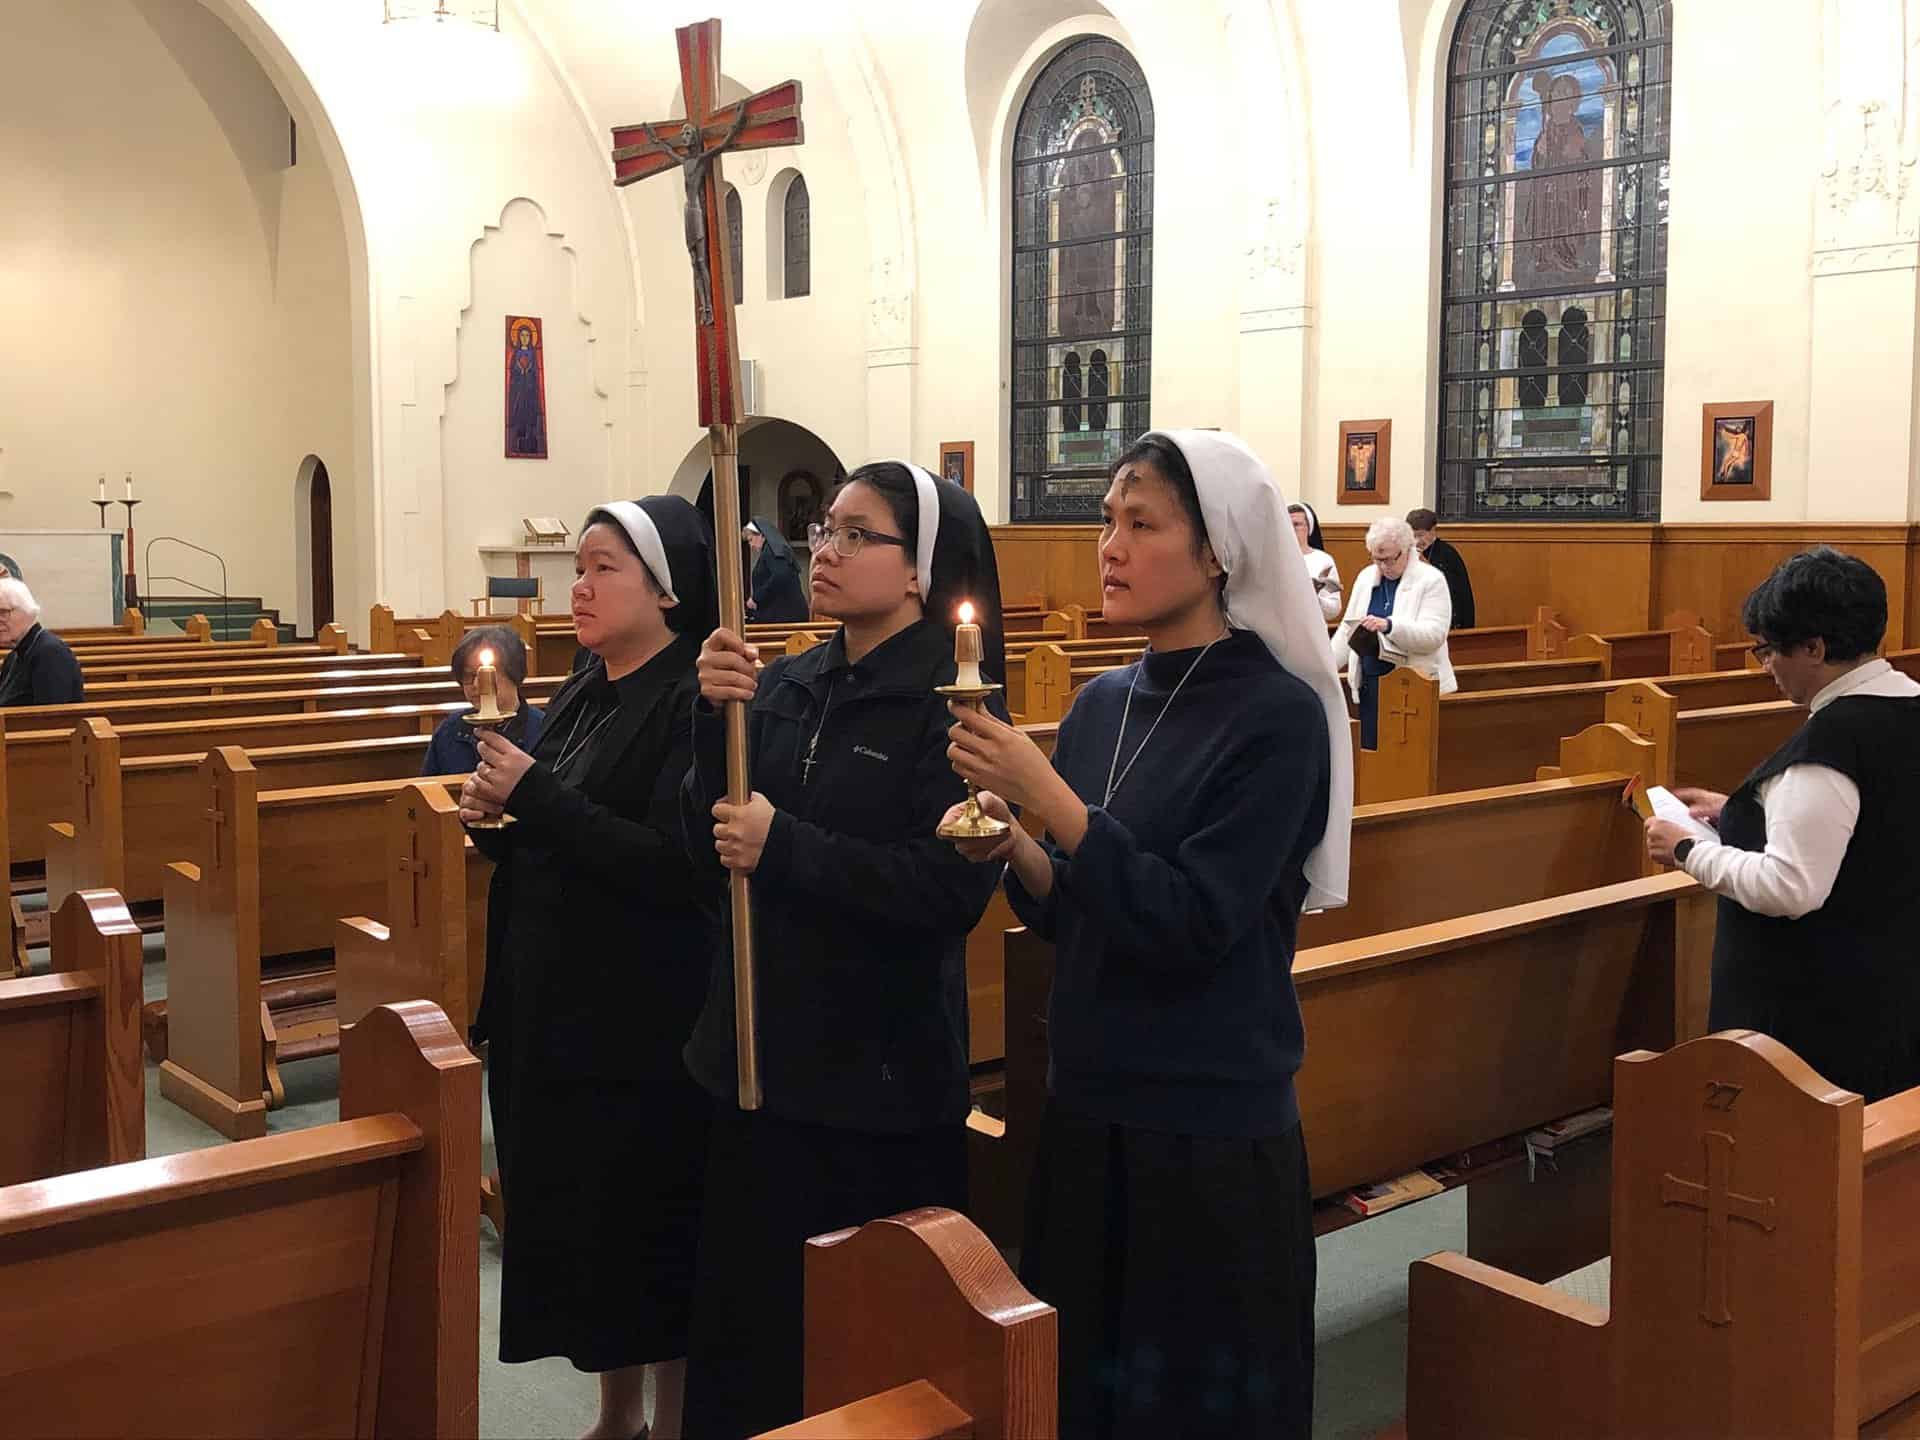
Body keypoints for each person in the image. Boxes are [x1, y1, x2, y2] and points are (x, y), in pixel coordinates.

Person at [944, 430, 1351, 1440]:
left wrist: (1048, 798)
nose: (1109, 547)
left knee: (1195, 1416)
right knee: (1085, 1396)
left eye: (1142, 523)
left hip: (1206, 1125)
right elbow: (1075, 904)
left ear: (1216, 553)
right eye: (1105, 522)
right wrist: (1021, 857)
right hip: (1088, 1109)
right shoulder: (1102, 702)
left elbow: (1196, 921)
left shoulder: (1279, 716)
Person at [680, 462, 1006, 1440]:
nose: (824, 547)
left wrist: (790, 848)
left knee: (854, 1358)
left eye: (856, 534)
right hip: (751, 1065)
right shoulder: (786, 680)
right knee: (745, 1344)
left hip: (870, 1088)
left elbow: (946, 891)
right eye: (824, 528)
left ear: (919, 571)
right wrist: (710, 719)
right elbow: (709, 843)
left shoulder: (952, 705)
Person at [459, 497, 718, 1440]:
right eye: (579, 565)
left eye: (604, 567)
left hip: (639, 1017)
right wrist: (499, 819)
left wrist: (533, 796)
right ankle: (618, 1416)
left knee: (647, 1230)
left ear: (665, 588)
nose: (580, 585)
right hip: (554, 1006)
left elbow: (668, 864)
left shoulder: (692, 700)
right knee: (583, 1231)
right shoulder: (581, 686)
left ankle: (675, 1418)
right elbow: (554, 828)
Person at [1646, 547, 1920, 1102]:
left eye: (1769, 650)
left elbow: (1790, 887)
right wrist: (1744, 812)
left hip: (1818, 1023)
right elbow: (1875, 826)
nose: (1765, 665)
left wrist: (1686, 852)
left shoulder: (1832, 741)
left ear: (1815, 647)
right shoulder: (1907, 706)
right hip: (1896, 984)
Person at [1331, 516, 1456, 749]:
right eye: (1377, 559)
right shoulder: (1367, 577)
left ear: (1407, 549)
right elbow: (1348, 629)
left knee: (1404, 757)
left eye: (1388, 559)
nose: (1383, 567)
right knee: (1371, 752)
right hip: (1371, 683)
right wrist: (1324, 666)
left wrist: (1390, 625)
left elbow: (1434, 635)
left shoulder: (1431, 580)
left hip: (1412, 687)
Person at [420, 625, 543, 775]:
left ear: (515, 673)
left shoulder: (543, 730)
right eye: (469, 675)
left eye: (488, 675)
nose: (477, 685)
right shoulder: (450, 730)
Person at [0, 578, 84, 708]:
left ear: (26, 610)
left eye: (3, 612)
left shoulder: (51, 654)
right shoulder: (12, 657)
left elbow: (51, 719)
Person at [1407, 507, 1475, 629]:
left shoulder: (1447, 554)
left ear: (1433, 530)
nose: (1417, 541)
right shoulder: (1405, 553)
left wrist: (1427, 567)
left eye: (1421, 535)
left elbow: (1458, 592)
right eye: (1413, 536)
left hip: (1443, 620)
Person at [743, 516, 809, 623]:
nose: (751, 545)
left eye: (751, 540)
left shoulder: (771, 550)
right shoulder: (773, 549)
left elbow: (780, 576)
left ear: (761, 535)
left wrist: (756, 598)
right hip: (784, 613)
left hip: (785, 616)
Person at [1288, 500, 1343, 621]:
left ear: (1308, 528)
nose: (1291, 529)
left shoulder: (1323, 560)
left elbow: (1335, 609)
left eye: (1296, 524)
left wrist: (1314, 598)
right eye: (1287, 524)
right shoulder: (1274, 559)